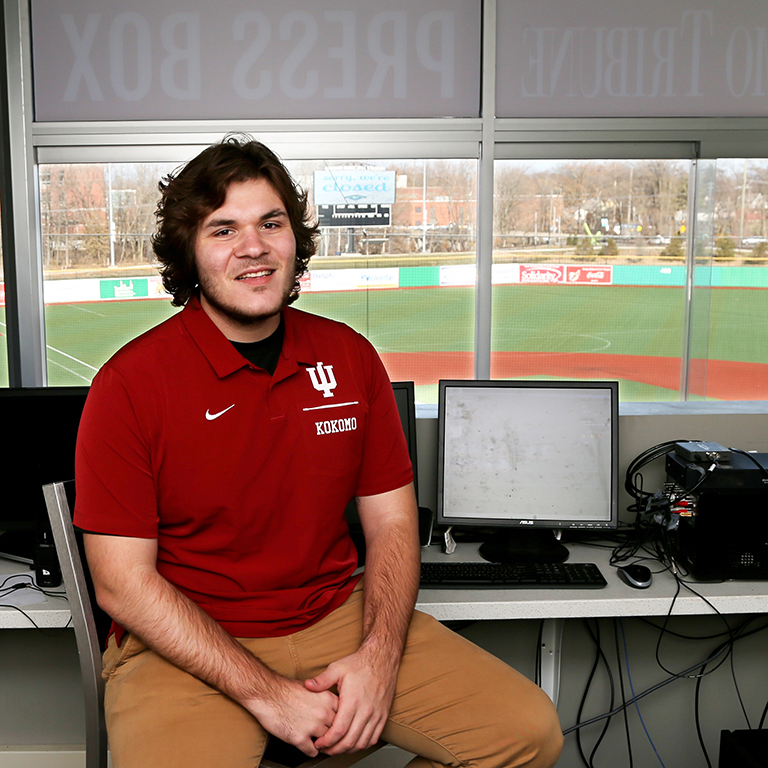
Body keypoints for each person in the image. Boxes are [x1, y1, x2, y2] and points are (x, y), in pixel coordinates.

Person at [74, 135, 563, 768]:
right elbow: (121, 584)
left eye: (270, 223)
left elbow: (392, 523)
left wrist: (378, 660)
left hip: (337, 616)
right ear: (189, 254)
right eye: (224, 230)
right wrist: (269, 695)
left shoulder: (350, 356)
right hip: (189, 639)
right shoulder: (129, 384)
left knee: (527, 733)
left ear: (293, 240)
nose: (253, 247)